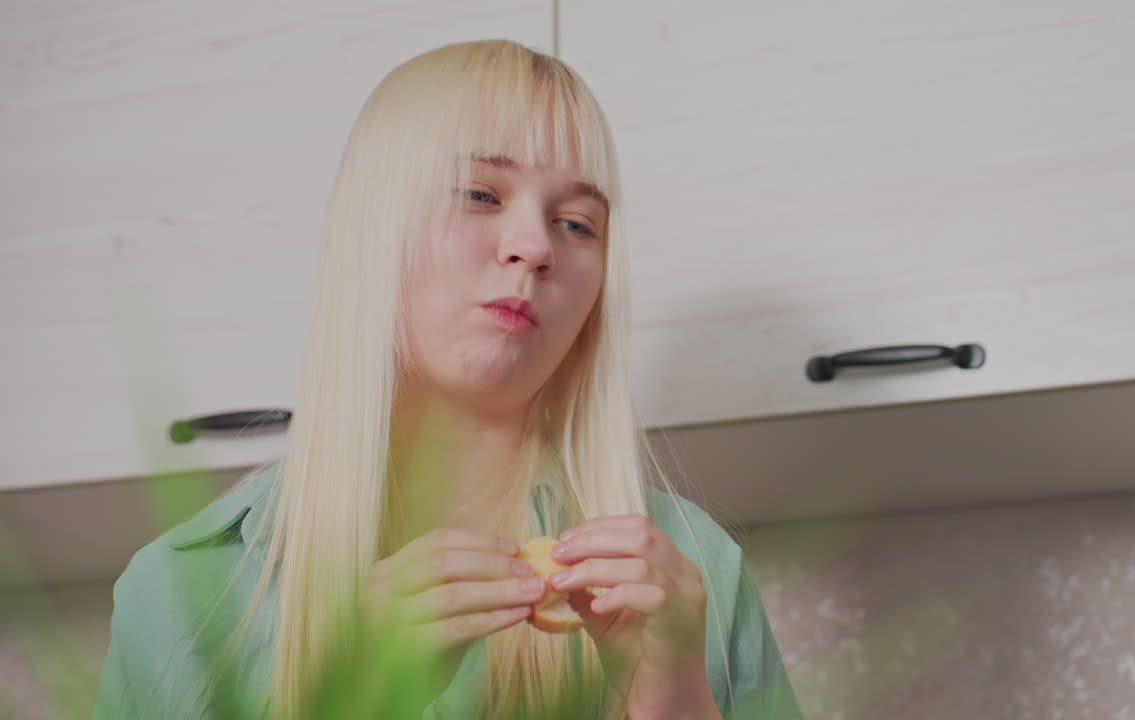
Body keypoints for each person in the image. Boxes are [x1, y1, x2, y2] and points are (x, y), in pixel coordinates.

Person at [91, 39, 804, 720]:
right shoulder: (181, 595)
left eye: (577, 224)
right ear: (374, 228)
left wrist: (678, 707)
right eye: (479, 194)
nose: (533, 247)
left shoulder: (695, 570)